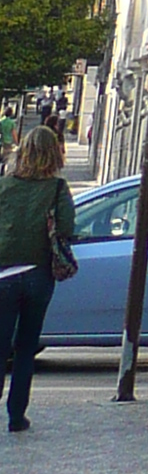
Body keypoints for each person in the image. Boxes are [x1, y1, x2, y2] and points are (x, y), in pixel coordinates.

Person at [0, 127, 74, 433]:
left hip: (3, 275)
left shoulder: (4, 186)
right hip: (39, 276)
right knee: (26, 347)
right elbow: (67, 227)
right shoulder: (58, 188)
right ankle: (17, 416)